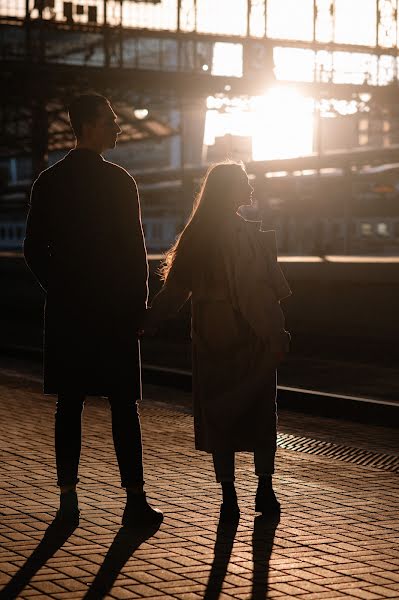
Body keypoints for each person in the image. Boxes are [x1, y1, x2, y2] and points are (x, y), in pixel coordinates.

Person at [23, 93, 162, 530]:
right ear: (89, 126)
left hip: (68, 314)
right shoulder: (120, 182)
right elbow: (134, 252)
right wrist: (138, 305)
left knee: (70, 404)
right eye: (111, 121)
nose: (118, 127)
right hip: (115, 312)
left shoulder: (49, 181)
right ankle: (134, 501)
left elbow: (32, 249)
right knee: (124, 406)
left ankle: (68, 500)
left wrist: (61, 288)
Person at [146, 162, 291, 521]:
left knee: (218, 417)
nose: (251, 187)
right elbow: (253, 293)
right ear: (229, 190)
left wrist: (147, 320)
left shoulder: (198, 234)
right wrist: (274, 334)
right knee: (260, 413)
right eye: (244, 182)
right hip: (249, 338)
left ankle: (228, 496)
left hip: (210, 340)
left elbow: (175, 290)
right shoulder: (243, 235)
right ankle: (265, 490)